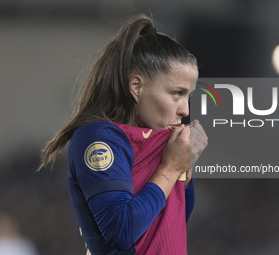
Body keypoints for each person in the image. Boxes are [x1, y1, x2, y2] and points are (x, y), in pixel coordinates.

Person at [39, 14, 207, 255]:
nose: (185, 110)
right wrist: (170, 169)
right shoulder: (99, 136)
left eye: (188, 96)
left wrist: (186, 171)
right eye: (176, 93)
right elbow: (122, 230)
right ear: (136, 86)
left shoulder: (161, 141)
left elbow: (172, 224)